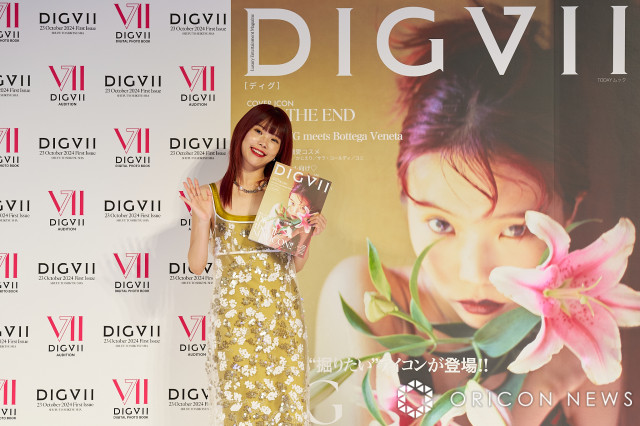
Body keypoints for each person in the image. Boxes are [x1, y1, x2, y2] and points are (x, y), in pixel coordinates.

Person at [315, 15, 624, 426]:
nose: (474, 274)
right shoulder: (368, 299)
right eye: (441, 225)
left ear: (570, 211)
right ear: (406, 199)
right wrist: (537, 394)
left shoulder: (588, 345)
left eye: (515, 229)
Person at [181, 104, 326, 425]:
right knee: (237, 410)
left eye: (274, 139)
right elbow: (196, 265)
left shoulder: (288, 196)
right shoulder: (209, 195)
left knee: (286, 411)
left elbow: (294, 267)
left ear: (279, 150)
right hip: (233, 321)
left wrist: (307, 233)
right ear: (242, 134)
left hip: (281, 319)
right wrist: (202, 219)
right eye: (258, 131)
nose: (263, 142)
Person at [256, 181, 327, 257]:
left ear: (310, 210)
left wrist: (309, 237)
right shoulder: (279, 210)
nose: (295, 211)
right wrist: (297, 231)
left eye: (303, 208)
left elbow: (298, 262)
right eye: (292, 203)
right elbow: (268, 243)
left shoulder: (305, 227)